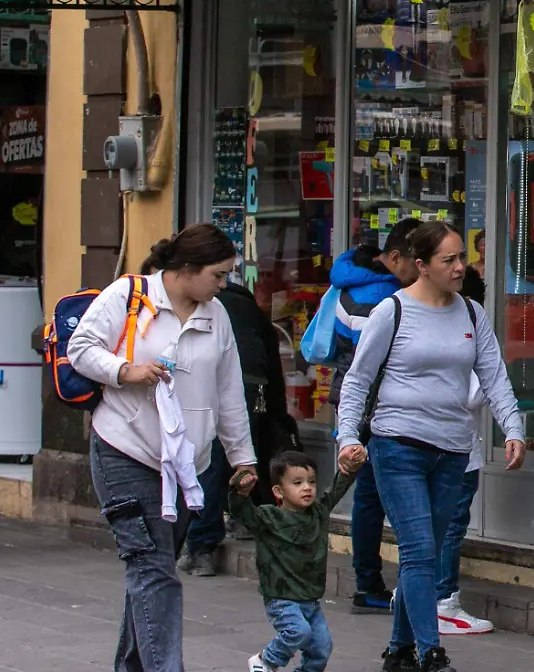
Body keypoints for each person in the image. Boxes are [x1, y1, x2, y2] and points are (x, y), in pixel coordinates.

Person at [335, 222, 525, 672]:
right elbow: (358, 380)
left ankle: (398, 650)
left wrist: (512, 428)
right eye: (449, 260)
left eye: (462, 258)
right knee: (420, 551)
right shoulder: (392, 311)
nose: (461, 267)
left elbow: (495, 376)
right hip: (397, 445)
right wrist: (345, 438)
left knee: (427, 553)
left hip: (453, 451)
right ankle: (430, 651)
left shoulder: (473, 314)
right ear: (421, 265)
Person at [70, 224, 258, 672]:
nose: (224, 284)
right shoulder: (128, 296)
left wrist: (243, 457)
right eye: (218, 274)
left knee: (149, 573)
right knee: (155, 572)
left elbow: (229, 391)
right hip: (124, 450)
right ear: (187, 269)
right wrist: (124, 371)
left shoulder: (217, 314)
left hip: (188, 466)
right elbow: (81, 348)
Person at [318, 218, 420, 613]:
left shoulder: (351, 282)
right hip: (370, 406)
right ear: (395, 258)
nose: (422, 270)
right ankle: (368, 584)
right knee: (370, 496)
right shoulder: (383, 296)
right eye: (418, 261)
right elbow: (374, 364)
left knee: (368, 495)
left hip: (354, 400)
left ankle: (369, 582)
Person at [178, 274, 299, 577]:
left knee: (210, 461)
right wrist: (277, 408)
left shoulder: (200, 303)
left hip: (215, 384)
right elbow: (270, 356)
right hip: (254, 385)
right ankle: (245, 518)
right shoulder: (246, 305)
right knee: (245, 454)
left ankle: (201, 546)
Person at [230, 449, 359, 672]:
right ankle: (265, 660)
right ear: (278, 491)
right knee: (298, 632)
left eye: (311, 481)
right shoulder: (269, 517)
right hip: (281, 598)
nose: (307, 487)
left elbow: (335, 491)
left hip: (310, 598)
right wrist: (239, 491)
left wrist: (349, 469)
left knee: (321, 647)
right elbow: (242, 512)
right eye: (297, 482)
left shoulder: (318, 512)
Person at [434, 375, 491, 636]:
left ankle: (426, 600)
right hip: (457, 450)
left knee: (434, 526)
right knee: (451, 527)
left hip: (430, 448)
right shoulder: (462, 343)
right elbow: (471, 396)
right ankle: (444, 603)